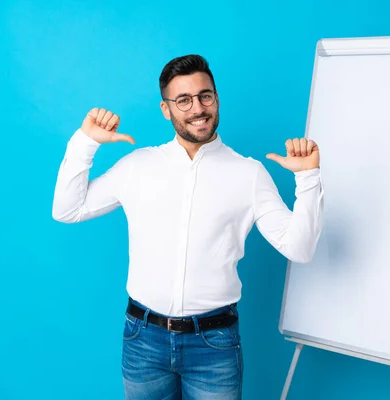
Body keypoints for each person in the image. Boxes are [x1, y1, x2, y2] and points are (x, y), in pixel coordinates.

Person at [51, 54, 324, 399]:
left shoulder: (249, 174)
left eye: (204, 96)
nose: (197, 108)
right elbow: (66, 210)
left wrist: (308, 178)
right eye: (183, 100)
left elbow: (299, 248)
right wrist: (85, 142)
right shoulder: (138, 166)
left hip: (214, 343)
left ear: (216, 98)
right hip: (142, 339)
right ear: (166, 109)